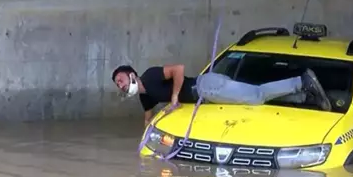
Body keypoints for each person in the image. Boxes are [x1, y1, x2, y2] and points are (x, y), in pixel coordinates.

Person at [111, 64, 331, 126]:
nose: (119, 85)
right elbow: (148, 119)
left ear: (131, 75)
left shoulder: (149, 76)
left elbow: (178, 69)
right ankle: (304, 98)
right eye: (117, 85)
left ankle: (301, 82)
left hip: (207, 88)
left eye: (120, 80)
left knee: (257, 96)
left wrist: (175, 98)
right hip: (209, 100)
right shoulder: (145, 96)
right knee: (256, 104)